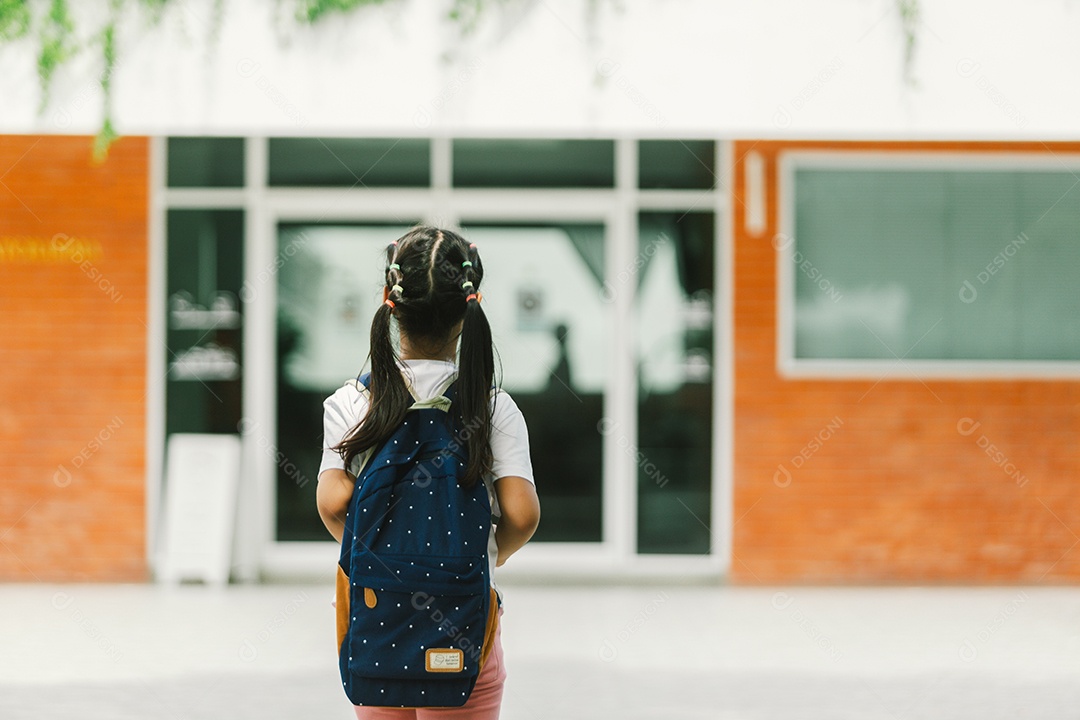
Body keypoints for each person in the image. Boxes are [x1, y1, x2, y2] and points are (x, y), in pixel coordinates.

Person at [316, 225, 541, 720]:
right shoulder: (492, 408)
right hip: (465, 622)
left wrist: (377, 552)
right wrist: (475, 554)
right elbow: (522, 515)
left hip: (379, 622)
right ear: (468, 308)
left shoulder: (353, 403)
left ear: (388, 300)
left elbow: (333, 503)